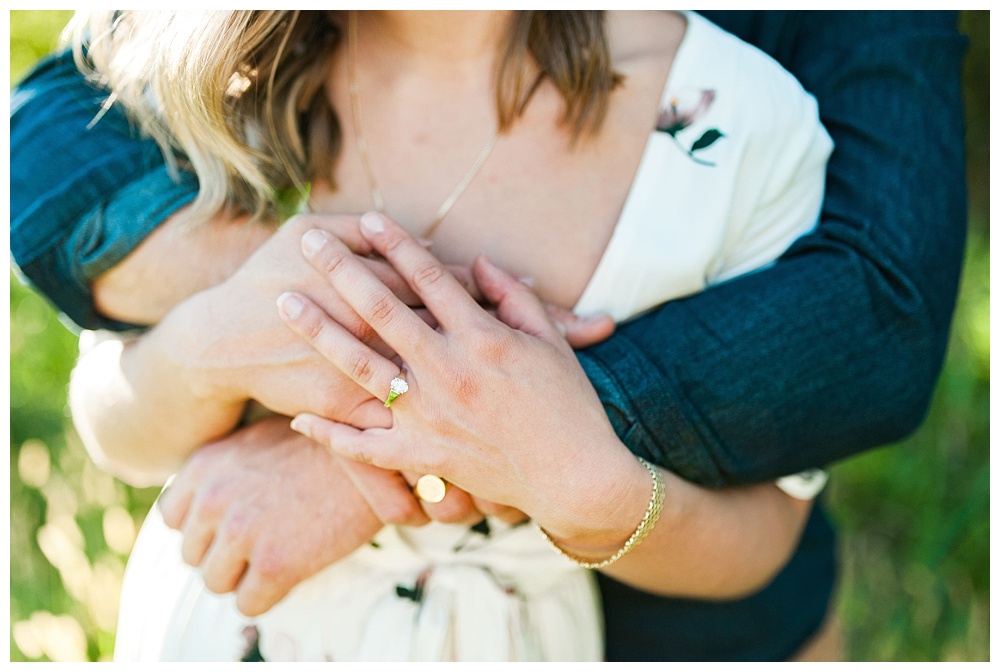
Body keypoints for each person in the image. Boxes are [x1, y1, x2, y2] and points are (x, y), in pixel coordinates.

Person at [8, 10, 967, 662]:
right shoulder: (214, 65)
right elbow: (115, 423)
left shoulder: (740, 125)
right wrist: (205, 346)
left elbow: (766, 536)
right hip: (214, 630)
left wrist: (582, 484)